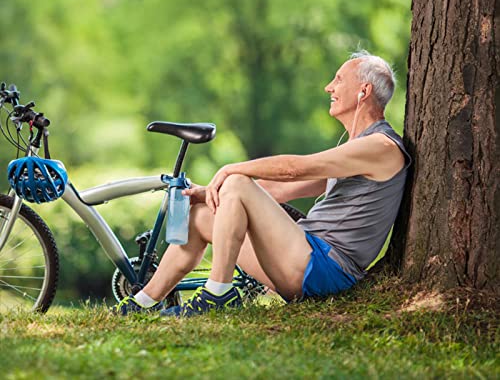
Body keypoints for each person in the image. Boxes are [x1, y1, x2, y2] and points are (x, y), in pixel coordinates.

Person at [114, 50, 411, 316]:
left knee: (239, 182)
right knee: (202, 216)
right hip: (302, 259)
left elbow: (295, 169)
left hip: (324, 269)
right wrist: (210, 193)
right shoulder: (355, 150)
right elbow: (277, 190)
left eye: (338, 79)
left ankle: (218, 293)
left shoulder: (380, 147)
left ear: (363, 91)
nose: (329, 87)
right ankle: (143, 302)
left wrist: (232, 171)